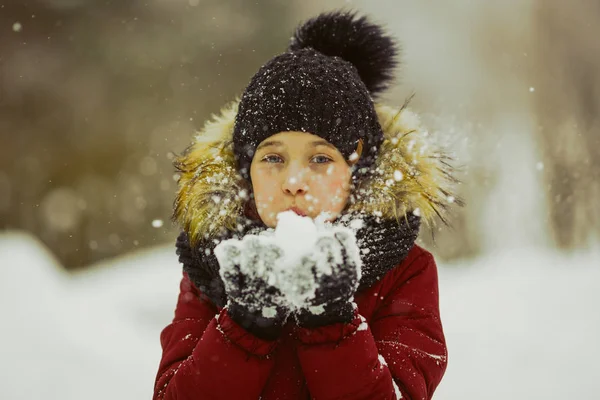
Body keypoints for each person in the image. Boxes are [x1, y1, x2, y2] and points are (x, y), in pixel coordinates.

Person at [154, 10, 460, 400]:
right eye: (273, 158)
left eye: (320, 159)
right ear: (246, 169)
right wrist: (245, 325)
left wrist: (332, 321)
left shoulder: (405, 271)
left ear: (357, 167)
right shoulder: (213, 264)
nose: (294, 182)